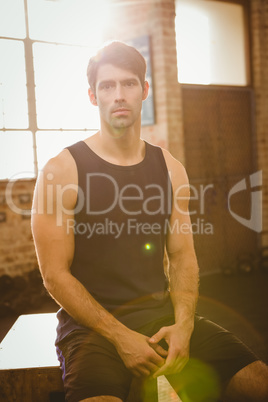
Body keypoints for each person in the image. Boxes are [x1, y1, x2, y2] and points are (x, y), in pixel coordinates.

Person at [31, 41, 268, 402]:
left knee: (258, 381)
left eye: (128, 84)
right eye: (107, 86)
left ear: (144, 90)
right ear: (93, 96)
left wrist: (184, 327)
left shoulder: (171, 168)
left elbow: (183, 256)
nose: (118, 95)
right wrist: (121, 337)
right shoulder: (61, 170)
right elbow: (54, 276)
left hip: (160, 318)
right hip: (90, 331)